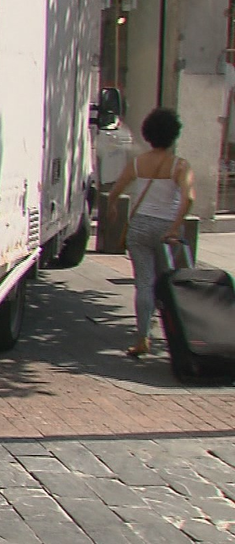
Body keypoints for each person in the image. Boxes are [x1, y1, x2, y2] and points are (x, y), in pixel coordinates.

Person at [104, 107, 195, 358]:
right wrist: (176, 226)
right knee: (172, 284)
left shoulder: (137, 163)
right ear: (174, 135)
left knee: (143, 282)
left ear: (148, 135)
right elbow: (188, 198)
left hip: (140, 227)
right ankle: (178, 335)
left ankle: (143, 336)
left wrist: (112, 207)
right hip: (167, 231)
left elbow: (116, 190)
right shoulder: (180, 166)